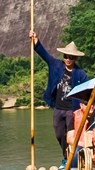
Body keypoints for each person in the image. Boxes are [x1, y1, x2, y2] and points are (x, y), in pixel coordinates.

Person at [30, 32, 89, 161]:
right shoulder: (56, 65)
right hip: (58, 108)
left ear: (75, 59)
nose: (68, 59)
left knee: (71, 135)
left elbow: (87, 91)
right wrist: (35, 39)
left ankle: (70, 159)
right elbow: (44, 54)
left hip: (72, 110)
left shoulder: (80, 74)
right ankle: (66, 156)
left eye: (71, 57)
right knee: (59, 134)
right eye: (66, 56)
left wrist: (88, 105)